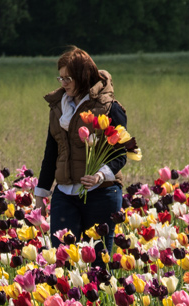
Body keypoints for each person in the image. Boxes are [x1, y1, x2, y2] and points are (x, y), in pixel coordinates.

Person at [35, 46, 127, 256]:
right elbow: (52, 153)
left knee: (98, 265)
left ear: (83, 77)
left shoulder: (110, 108)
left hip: (102, 193)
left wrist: (99, 175)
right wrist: (41, 193)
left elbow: (121, 152)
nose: (64, 83)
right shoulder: (58, 108)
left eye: (69, 78)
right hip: (64, 194)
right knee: (62, 262)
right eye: (61, 78)